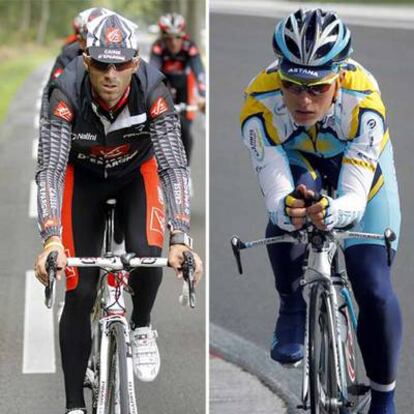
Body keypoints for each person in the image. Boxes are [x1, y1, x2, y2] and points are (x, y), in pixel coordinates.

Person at [34, 12, 202, 414]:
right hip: (83, 177)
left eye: (122, 64)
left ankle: (142, 323)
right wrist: (51, 237)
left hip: (134, 174)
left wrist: (181, 237)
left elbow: (174, 164)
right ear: (87, 60)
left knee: (149, 254)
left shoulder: (153, 88)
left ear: (135, 62)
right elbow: (52, 170)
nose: (112, 75)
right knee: (80, 290)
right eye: (102, 64)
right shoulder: (66, 91)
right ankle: (74, 405)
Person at [240, 8, 401, 414]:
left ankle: (385, 396)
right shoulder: (258, 103)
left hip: (358, 170)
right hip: (300, 165)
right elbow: (275, 193)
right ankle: (291, 305)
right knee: (295, 204)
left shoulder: (365, 102)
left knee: (374, 287)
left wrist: (337, 212)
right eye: (292, 86)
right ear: (280, 76)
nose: (304, 99)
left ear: (340, 77)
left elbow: (354, 197)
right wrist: (288, 209)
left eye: (318, 87)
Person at [150, 12, 206, 164]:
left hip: (184, 88)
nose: (173, 43)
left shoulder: (190, 46)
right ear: (163, 37)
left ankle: (185, 169)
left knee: (185, 129)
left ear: (183, 36)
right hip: (165, 84)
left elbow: (199, 72)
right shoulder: (158, 47)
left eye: (177, 37)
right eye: (168, 38)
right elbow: (153, 74)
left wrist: (203, 96)